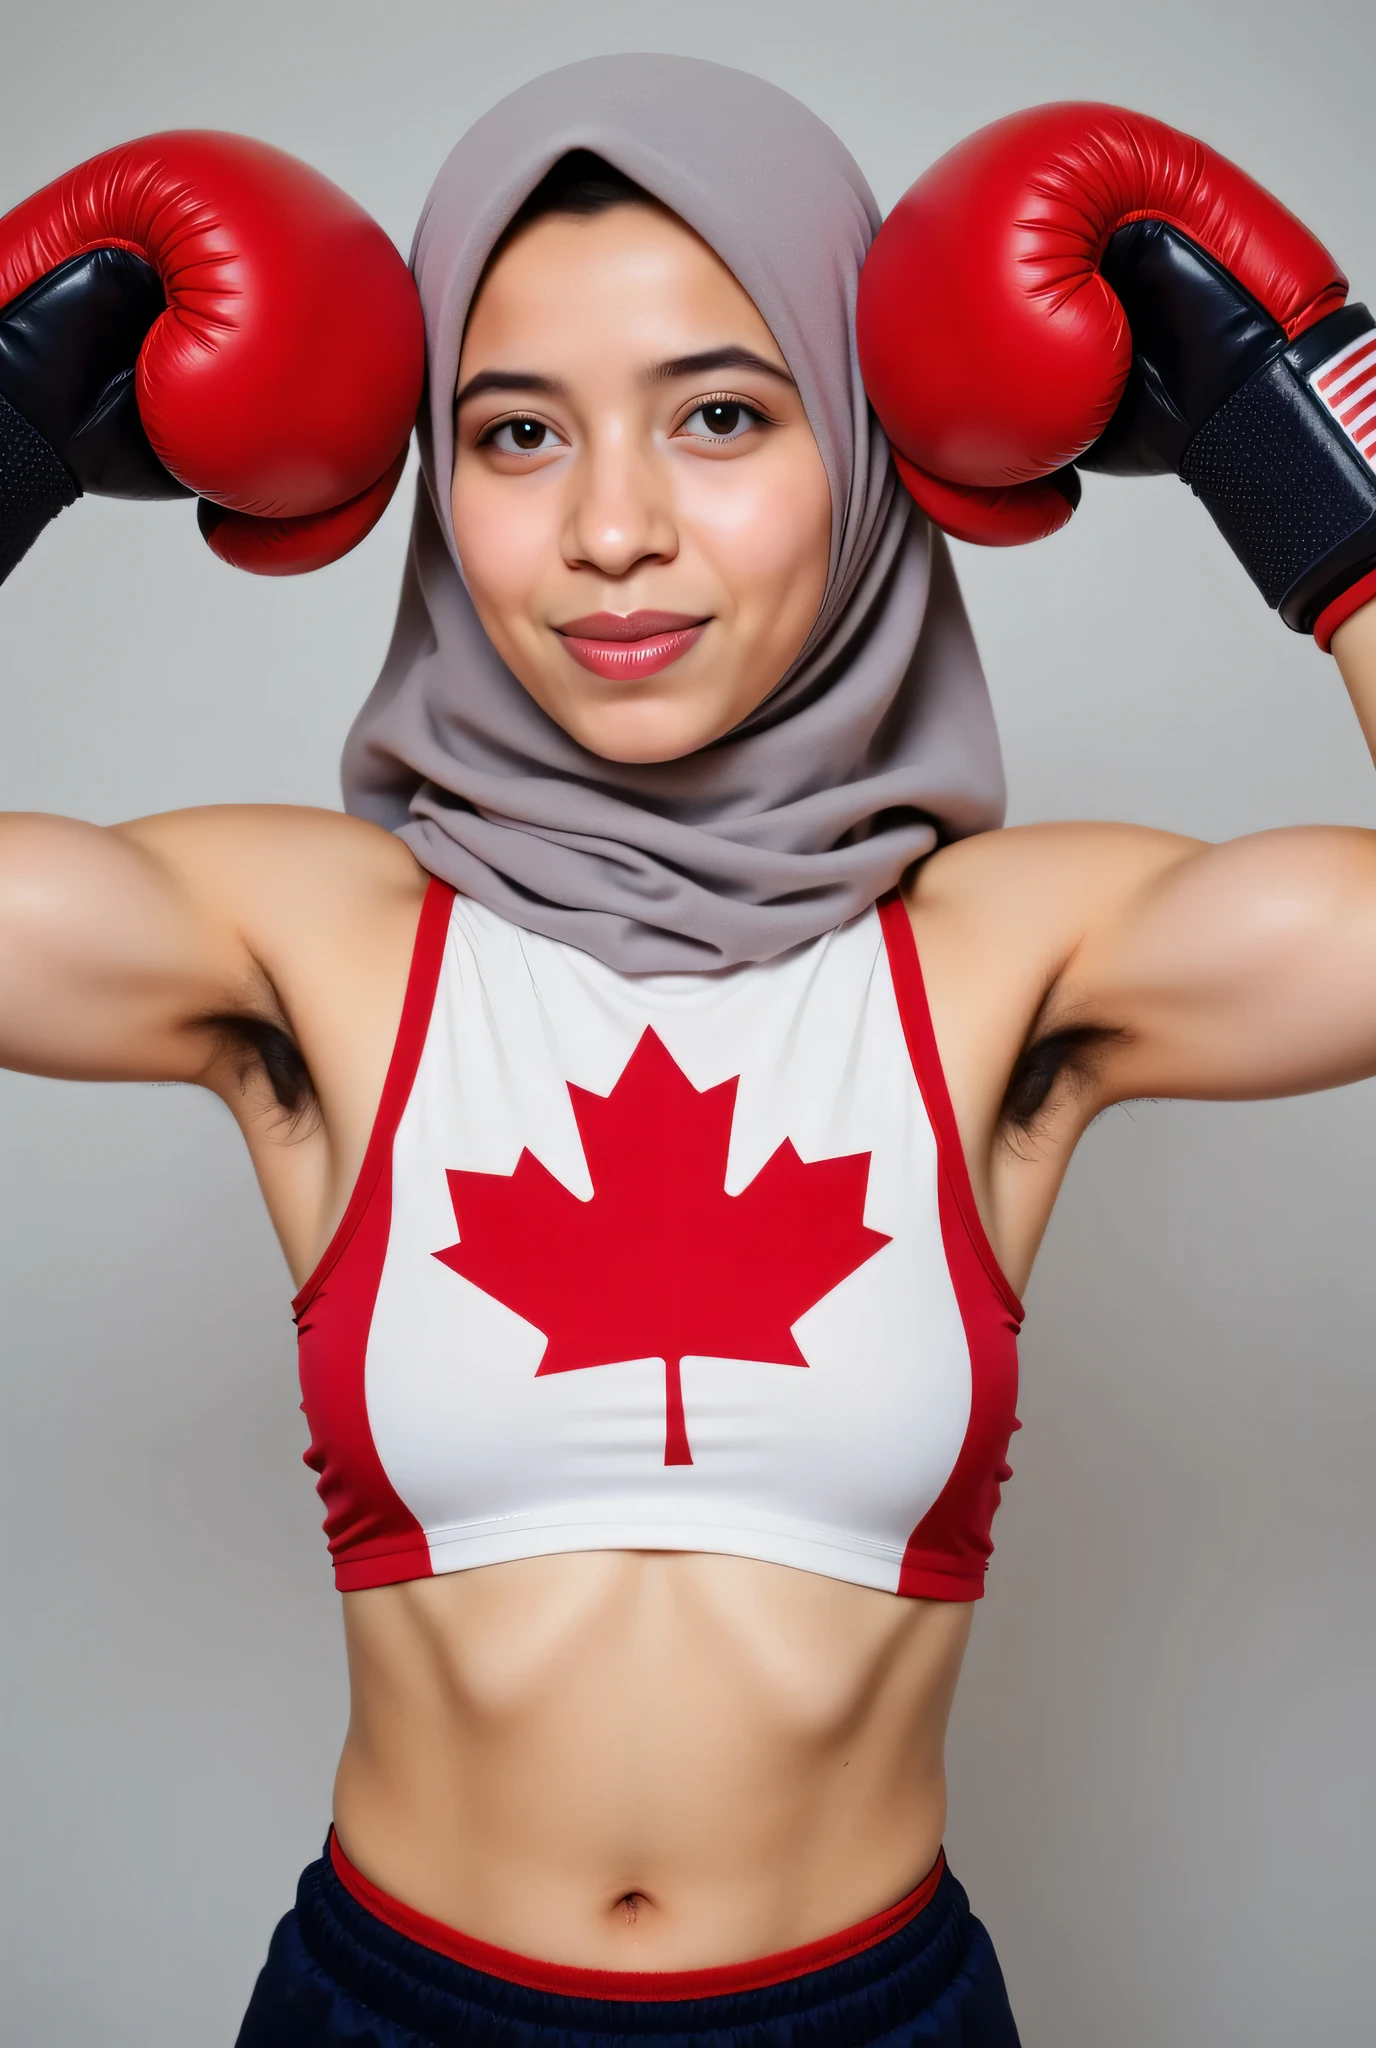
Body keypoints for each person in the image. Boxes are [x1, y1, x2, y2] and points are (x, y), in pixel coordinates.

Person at [2, 53, 1374, 2048]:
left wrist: (1304, 429)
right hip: (388, 2011)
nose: (614, 528)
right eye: (516, 431)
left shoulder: (1008, 962)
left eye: (721, 415)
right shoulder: (311, 945)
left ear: (863, 430)